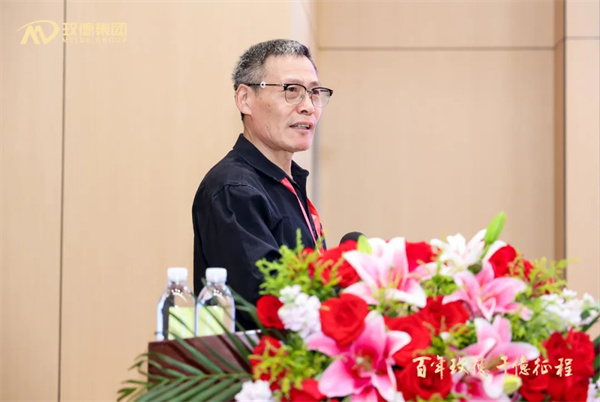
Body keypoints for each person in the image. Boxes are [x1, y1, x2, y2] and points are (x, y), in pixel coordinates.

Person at [192, 39, 332, 329]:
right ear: (245, 99)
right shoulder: (233, 189)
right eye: (291, 91)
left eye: (314, 93)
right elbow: (268, 300)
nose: (308, 107)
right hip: (259, 357)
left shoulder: (287, 183)